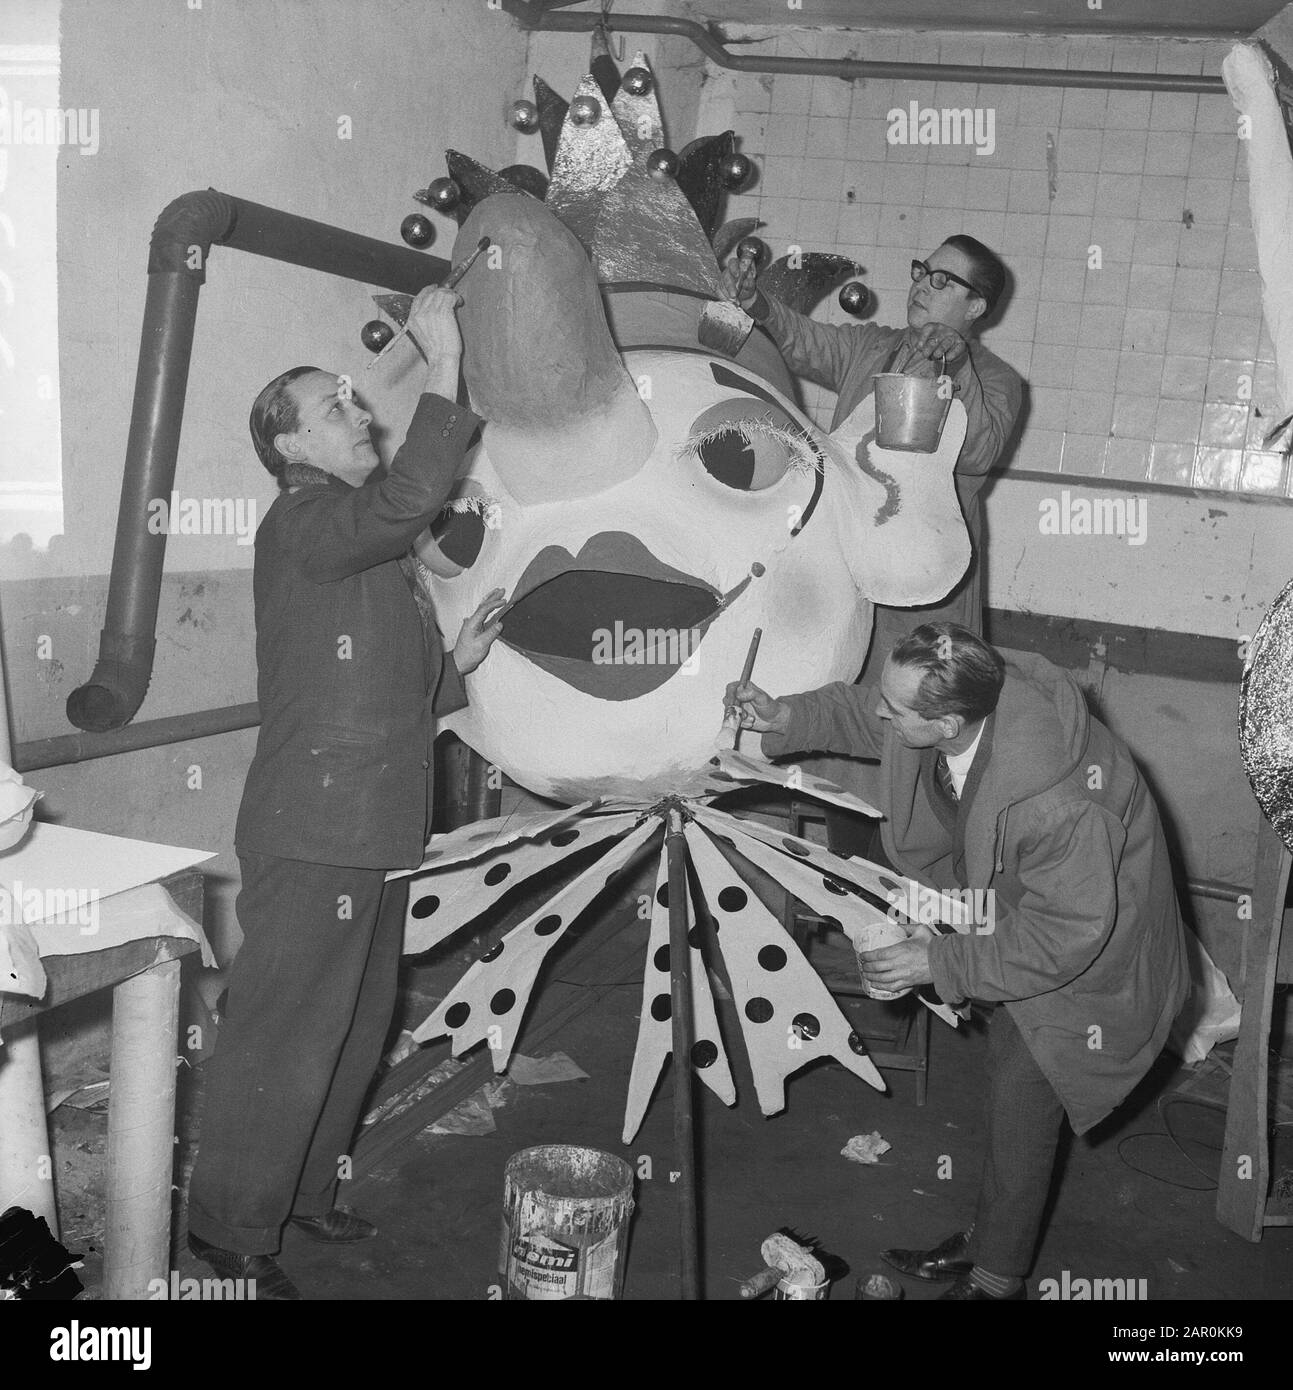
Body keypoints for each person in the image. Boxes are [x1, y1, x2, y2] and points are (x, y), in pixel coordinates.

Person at [186, 287, 504, 1300]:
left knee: (355, 1025)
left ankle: (305, 1190)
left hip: (369, 826)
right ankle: (230, 1228)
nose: (360, 414)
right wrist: (446, 365)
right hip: (316, 824)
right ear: (288, 446)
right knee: (283, 1029)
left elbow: (379, 686)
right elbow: (408, 498)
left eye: (359, 402)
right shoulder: (307, 521)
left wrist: (457, 660)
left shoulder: (359, 548)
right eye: (337, 407)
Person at [726, 623, 1188, 1300]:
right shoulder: (963, 701)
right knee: (1006, 1086)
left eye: (899, 708)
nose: (882, 711)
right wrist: (785, 714)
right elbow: (868, 713)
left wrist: (937, 962)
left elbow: (1063, 938)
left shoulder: (1060, 805)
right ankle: (992, 1238)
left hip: (1092, 955)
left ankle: (994, 1282)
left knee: (1023, 1095)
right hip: (1023, 910)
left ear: (946, 723)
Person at [725, 235, 1024, 641]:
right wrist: (753, 302)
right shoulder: (872, 344)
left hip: (922, 582)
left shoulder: (995, 379)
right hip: (843, 558)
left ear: (975, 306)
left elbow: (977, 454)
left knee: (913, 691)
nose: (921, 285)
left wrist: (956, 367)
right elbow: (801, 338)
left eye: (942, 280)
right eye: (922, 272)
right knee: (837, 685)